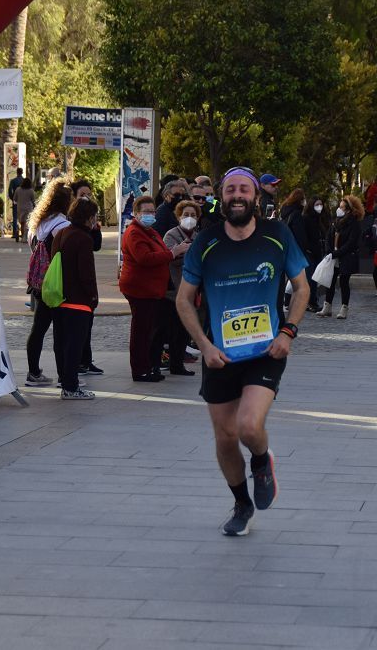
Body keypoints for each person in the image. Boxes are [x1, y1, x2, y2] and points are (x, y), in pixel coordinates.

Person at [175, 166, 309, 537]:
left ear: (256, 196)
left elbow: (302, 289)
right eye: (231, 188)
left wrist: (288, 333)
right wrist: (203, 345)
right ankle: (241, 503)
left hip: (266, 350)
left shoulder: (278, 236)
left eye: (244, 189)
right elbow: (184, 300)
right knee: (224, 436)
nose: (237, 195)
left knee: (248, 425)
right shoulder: (207, 241)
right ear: (222, 195)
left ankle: (262, 462)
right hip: (220, 354)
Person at [120, 194, 191, 382]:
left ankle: (148, 366)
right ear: (136, 214)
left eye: (152, 211)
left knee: (148, 330)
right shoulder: (135, 232)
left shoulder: (149, 231)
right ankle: (140, 369)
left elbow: (158, 253)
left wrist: (171, 253)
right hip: (140, 288)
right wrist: (173, 252)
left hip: (151, 289)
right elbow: (145, 258)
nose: (150, 215)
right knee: (141, 331)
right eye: (146, 212)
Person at [24, 180, 74, 387]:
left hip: (38, 283)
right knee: (61, 331)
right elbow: (66, 257)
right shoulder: (63, 225)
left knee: (39, 328)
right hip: (57, 283)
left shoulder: (37, 223)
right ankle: (64, 376)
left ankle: (33, 372)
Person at [51, 197, 100, 400]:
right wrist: (93, 296)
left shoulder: (62, 233)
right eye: (94, 216)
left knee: (62, 343)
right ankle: (71, 387)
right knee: (74, 345)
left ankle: (65, 380)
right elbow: (86, 273)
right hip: (78, 300)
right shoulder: (83, 238)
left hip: (59, 296)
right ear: (89, 217)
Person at [162, 199, 203, 377]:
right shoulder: (171, 234)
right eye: (186, 215)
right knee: (172, 327)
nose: (189, 218)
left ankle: (178, 363)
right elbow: (170, 256)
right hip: (174, 288)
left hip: (192, 289)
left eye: (193, 215)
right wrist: (184, 252)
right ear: (179, 216)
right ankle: (170, 362)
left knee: (183, 329)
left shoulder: (198, 236)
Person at [71, 180, 105, 377]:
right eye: (82, 194)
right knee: (77, 331)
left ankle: (86, 361)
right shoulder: (73, 231)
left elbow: (96, 246)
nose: (87, 197)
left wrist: (96, 228)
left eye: (89, 194)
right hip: (77, 290)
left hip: (82, 289)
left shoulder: (87, 230)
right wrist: (92, 294)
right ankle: (75, 369)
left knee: (86, 326)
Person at [316, 195, 363, 319]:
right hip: (334, 255)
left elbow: (351, 243)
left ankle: (344, 308)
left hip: (346, 256)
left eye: (342, 207)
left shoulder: (354, 223)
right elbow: (328, 236)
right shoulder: (336, 221)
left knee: (344, 282)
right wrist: (329, 251)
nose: (339, 209)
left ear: (348, 209)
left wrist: (336, 253)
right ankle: (327, 306)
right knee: (330, 281)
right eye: (339, 206)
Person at [301, 196, 330, 311]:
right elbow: (305, 237)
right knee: (310, 278)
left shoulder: (320, 218)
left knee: (315, 279)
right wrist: (308, 248)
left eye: (321, 204)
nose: (319, 207)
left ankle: (312, 301)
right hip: (310, 252)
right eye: (317, 205)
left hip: (318, 252)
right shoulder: (306, 218)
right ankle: (310, 302)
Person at [13, 177, 36, 242]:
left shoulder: (18, 189)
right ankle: (25, 237)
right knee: (27, 223)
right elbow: (33, 200)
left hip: (20, 208)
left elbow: (14, 199)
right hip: (29, 208)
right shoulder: (31, 190)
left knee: (22, 223)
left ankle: (23, 236)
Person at [8, 167, 24, 241]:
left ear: (17, 172)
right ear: (22, 172)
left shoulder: (13, 181)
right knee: (24, 218)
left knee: (15, 217)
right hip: (24, 202)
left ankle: (14, 233)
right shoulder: (24, 181)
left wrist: (12, 198)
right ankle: (24, 233)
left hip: (16, 201)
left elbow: (9, 191)